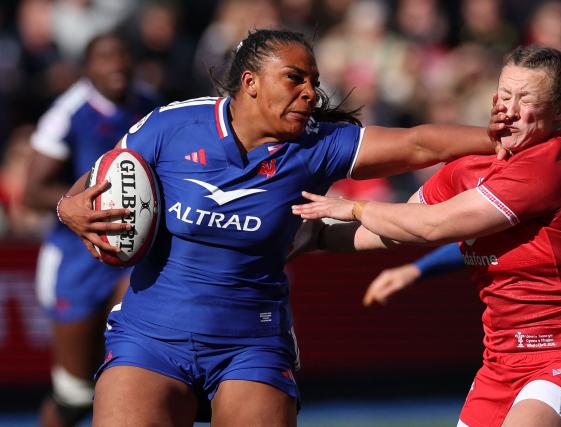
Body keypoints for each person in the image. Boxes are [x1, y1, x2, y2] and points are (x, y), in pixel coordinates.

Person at [53, 28, 506, 426]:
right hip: (149, 338)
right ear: (249, 83)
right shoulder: (172, 125)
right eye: (295, 78)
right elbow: (92, 183)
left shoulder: (318, 146)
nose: (310, 93)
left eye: (314, 82)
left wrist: (507, 138)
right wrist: (67, 209)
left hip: (251, 343)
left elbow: (418, 143)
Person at [292, 45, 561, 427]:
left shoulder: (545, 168)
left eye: (527, 99)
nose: (510, 109)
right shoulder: (468, 167)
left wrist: (353, 207)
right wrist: (313, 236)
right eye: (505, 94)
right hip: (501, 359)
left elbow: (432, 225)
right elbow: (396, 231)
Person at [23, 33, 160, 427]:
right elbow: (32, 191)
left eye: (123, 55)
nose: (117, 64)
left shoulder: (151, 106)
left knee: (136, 370)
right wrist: (83, 205)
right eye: (105, 57)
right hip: (74, 261)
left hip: (132, 255)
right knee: (74, 395)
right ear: (86, 69)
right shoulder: (68, 113)